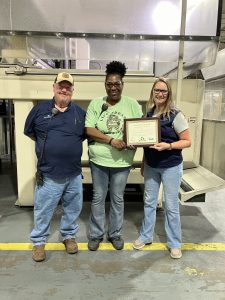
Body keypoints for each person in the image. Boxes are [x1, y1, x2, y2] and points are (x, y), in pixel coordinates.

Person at [24, 72, 86, 262]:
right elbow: (30, 133)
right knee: (43, 210)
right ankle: (39, 242)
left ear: (73, 90)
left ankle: (68, 235)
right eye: (61, 85)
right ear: (54, 87)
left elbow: (81, 137)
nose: (64, 89)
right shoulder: (39, 110)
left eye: (68, 87)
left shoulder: (80, 113)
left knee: (73, 209)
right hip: (49, 175)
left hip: (74, 174)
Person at [85, 61, 143, 251]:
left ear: (122, 85)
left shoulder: (132, 104)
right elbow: (89, 129)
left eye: (117, 84)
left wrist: (136, 140)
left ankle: (115, 233)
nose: (113, 87)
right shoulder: (96, 103)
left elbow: (140, 129)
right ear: (105, 85)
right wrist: (111, 141)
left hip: (122, 161)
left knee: (117, 197)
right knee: (98, 197)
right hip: (98, 160)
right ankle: (96, 234)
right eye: (109, 84)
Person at [132, 77, 191, 259]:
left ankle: (174, 243)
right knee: (149, 202)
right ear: (152, 93)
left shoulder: (175, 115)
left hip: (171, 166)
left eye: (163, 91)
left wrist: (169, 146)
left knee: (171, 205)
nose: (159, 94)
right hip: (151, 165)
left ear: (168, 94)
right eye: (157, 90)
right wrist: (143, 162)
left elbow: (187, 141)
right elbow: (145, 143)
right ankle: (146, 236)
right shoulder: (148, 114)